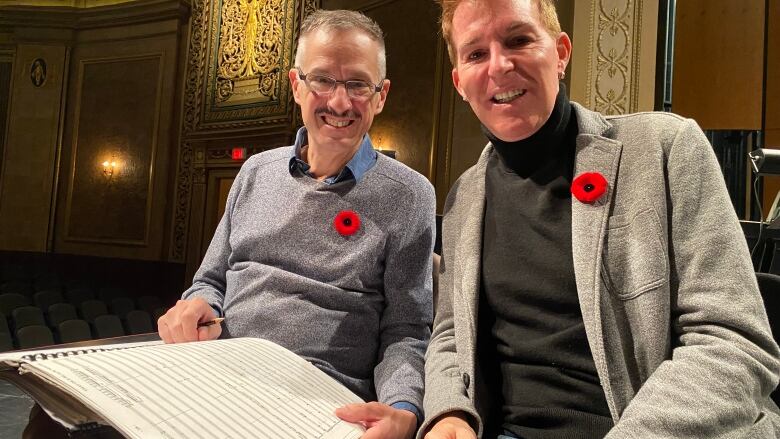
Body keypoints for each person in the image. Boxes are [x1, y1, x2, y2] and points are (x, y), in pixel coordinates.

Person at [420, 0, 780, 438]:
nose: (499, 65)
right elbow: (449, 336)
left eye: (519, 40)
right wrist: (448, 411)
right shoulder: (464, 196)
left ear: (561, 52)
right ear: (459, 82)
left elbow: (734, 342)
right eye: (476, 54)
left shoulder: (666, 148)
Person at [158, 10, 434, 439]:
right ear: (296, 86)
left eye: (358, 84)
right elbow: (209, 281)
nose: (339, 103)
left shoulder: (410, 195)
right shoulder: (254, 172)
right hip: (215, 375)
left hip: (317, 399)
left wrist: (402, 408)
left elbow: (406, 330)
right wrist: (199, 305)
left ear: (381, 96)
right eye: (323, 79)